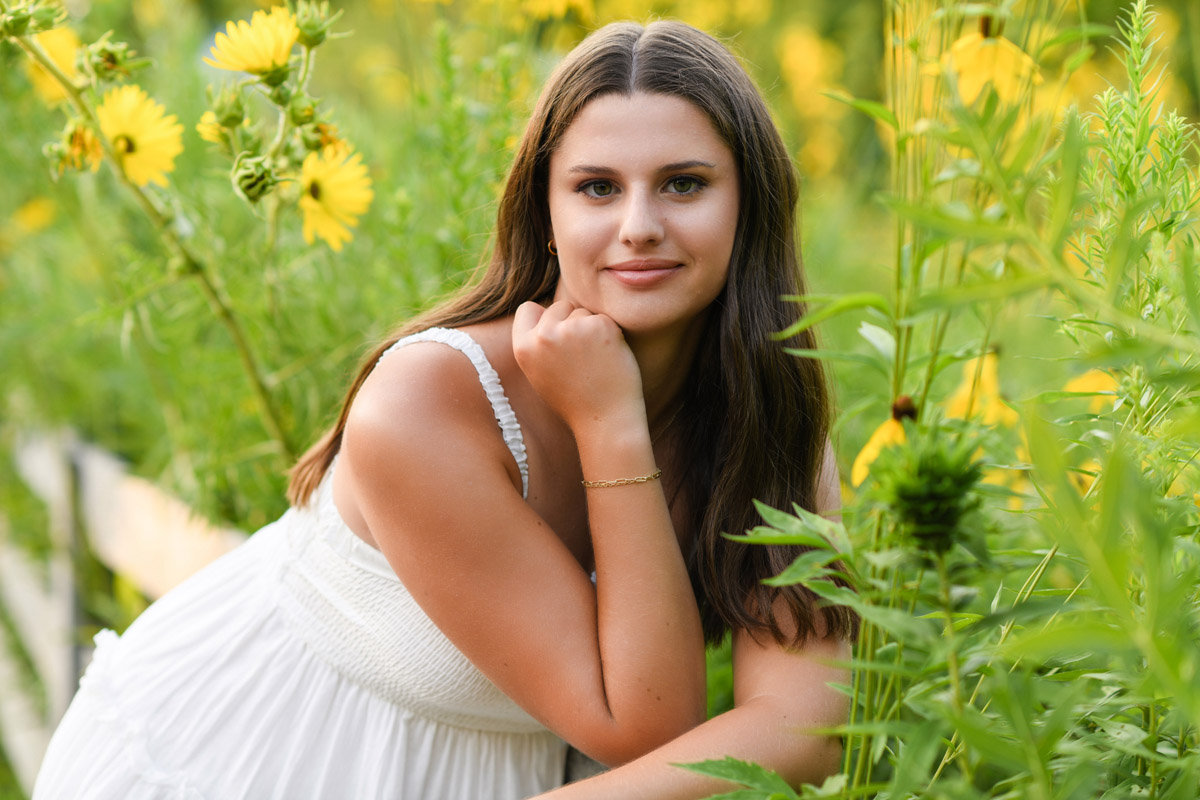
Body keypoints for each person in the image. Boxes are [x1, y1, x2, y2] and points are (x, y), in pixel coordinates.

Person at [33, 18, 855, 800]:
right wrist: (609, 423)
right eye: (597, 187)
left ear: (751, 204)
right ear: (547, 210)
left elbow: (804, 727)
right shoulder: (427, 403)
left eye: (684, 184)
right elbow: (647, 729)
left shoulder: (768, 412)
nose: (638, 226)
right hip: (254, 758)